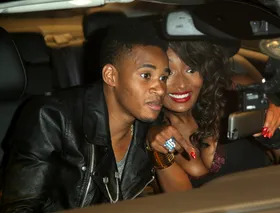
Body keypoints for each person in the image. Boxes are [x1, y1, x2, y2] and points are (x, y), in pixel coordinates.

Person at [0, 21, 193, 212]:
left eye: (163, 77)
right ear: (110, 76)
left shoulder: (149, 123)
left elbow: (183, 200)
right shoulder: (50, 118)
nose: (160, 89)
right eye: (146, 76)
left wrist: (160, 151)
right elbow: (19, 208)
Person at [147, 40, 280, 188]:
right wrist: (158, 152)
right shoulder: (151, 134)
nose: (182, 84)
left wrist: (275, 133)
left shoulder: (238, 95)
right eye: (169, 73)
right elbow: (183, 203)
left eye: (191, 70)